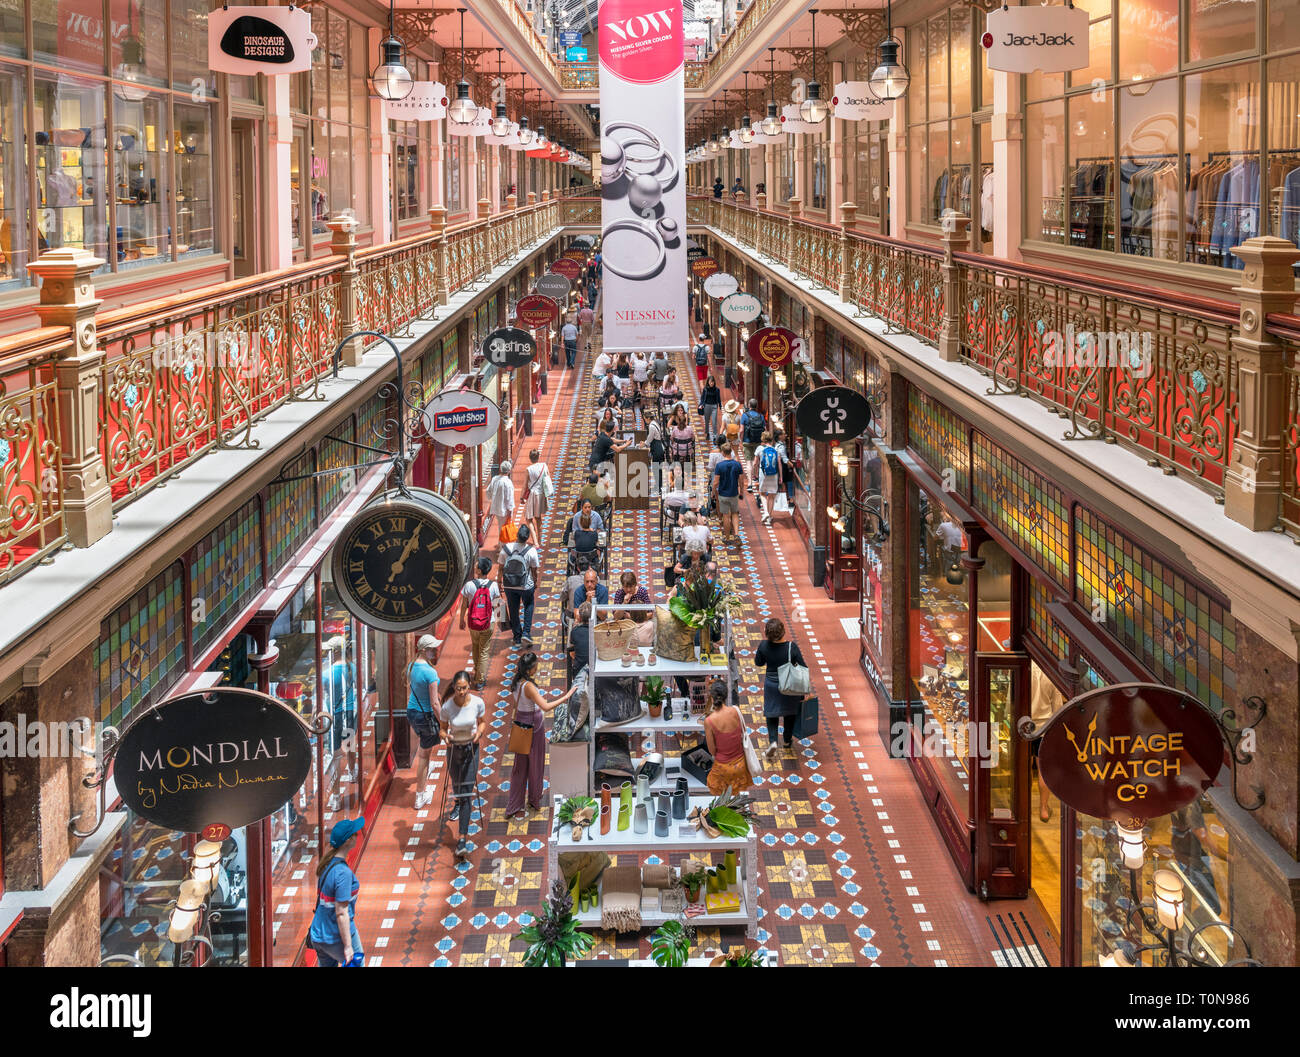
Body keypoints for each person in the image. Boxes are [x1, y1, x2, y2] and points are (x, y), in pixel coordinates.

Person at [506, 651, 579, 818]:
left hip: (521, 726)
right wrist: (566, 696)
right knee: (536, 764)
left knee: (520, 767)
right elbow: (545, 706)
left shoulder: (516, 681)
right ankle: (534, 799)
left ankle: (515, 804)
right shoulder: (529, 686)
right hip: (533, 728)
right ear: (531, 668)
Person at [439, 671, 488, 858]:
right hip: (454, 751)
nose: (461, 692)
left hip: (471, 750)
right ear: (454, 687)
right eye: (458, 688)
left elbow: (482, 723)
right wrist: (446, 737)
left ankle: (462, 839)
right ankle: (458, 802)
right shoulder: (447, 707)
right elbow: (442, 730)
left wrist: (479, 734)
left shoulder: (477, 703)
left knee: (467, 791)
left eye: (465, 688)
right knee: (458, 788)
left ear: (469, 687)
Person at [310, 817, 365, 966]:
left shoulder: (327, 864)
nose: (358, 835)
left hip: (319, 936)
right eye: (355, 834)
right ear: (348, 840)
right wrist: (347, 946)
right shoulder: (343, 873)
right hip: (336, 936)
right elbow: (341, 913)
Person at [754, 617, 807, 757]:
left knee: (771, 714)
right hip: (789, 685)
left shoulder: (764, 646)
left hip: (771, 685)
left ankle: (773, 742)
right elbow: (803, 667)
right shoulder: (791, 647)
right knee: (790, 713)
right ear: (783, 631)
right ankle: (787, 740)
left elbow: (758, 663)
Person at [406, 634, 441, 809]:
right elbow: (434, 703)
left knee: (424, 744)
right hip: (425, 715)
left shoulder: (411, 667)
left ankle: (428, 760)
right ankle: (420, 795)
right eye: (433, 648)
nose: (435, 651)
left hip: (412, 712)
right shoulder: (430, 672)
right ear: (425, 650)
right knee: (423, 757)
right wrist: (445, 721)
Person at [703, 680, 752, 795]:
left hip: (722, 769)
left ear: (712, 698)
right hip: (740, 766)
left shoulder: (709, 721)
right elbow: (742, 733)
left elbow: (712, 751)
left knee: (722, 804)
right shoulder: (735, 711)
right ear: (726, 696)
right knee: (736, 803)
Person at [458, 556, 500, 691]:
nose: (474, 567)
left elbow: (464, 604)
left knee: (475, 646)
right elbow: (498, 604)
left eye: (476, 566)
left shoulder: (469, 585)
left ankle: (477, 670)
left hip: (473, 622)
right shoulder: (493, 585)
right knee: (484, 651)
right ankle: (480, 680)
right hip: (488, 622)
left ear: (480, 570)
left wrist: (461, 620)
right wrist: (500, 619)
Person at [499, 523, 540, 647]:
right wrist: (535, 582)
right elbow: (534, 570)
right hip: (525, 585)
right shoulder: (531, 551)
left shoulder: (506, 549)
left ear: (516, 535)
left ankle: (517, 636)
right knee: (529, 604)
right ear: (527, 538)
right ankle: (526, 633)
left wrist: (498, 582)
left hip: (509, 585)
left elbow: (500, 568)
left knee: (513, 609)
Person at [327, 642, 356, 788]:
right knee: (350, 745)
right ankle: (352, 772)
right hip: (349, 713)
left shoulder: (328, 673)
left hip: (336, 715)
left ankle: (336, 795)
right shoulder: (352, 668)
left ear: (335, 652)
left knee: (336, 754)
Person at [711, 441, 745, 543]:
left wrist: (713, 493)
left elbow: (716, 482)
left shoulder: (719, 466)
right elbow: (741, 480)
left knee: (726, 515)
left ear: (722, 452)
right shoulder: (737, 464)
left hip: (723, 494)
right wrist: (741, 492)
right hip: (734, 493)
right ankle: (737, 534)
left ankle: (726, 537)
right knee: (735, 513)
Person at [752, 430, 784, 525]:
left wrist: (755, 473)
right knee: (771, 496)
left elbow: (754, 463)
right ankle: (769, 517)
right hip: (774, 474)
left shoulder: (759, 448)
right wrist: (780, 477)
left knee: (762, 493)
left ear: (762, 439)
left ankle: (765, 512)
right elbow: (779, 464)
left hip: (764, 474)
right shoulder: (775, 449)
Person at [522, 447, 552, 543]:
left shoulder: (529, 469)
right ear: (538, 457)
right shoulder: (544, 465)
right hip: (542, 494)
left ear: (530, 458)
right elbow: (548, 479)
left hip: (533, 495)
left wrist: (522, 497)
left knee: (528, 518)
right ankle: (540, 540)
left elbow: (525, 485)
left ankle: (535, 541)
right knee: (538, 518)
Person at [484, 460, 515, 546]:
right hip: (505, 509)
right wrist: (510, 511)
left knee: (500, 526)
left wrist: (493, 499)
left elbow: (488, 491)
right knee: (504, 528)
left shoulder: (494, 479)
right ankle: (503, 548)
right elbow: (509, 499)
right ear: (509, 471)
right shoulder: (508, 482)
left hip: (496, 508)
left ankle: (500, 544)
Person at [668, 406, 696, 490]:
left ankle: (677, 477)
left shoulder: (675, 429)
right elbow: (693, 439)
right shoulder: (690, 429)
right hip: (687, 452)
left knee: (672, 449)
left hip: (677, 452)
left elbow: (671, 439)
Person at [773, 426, 796, 504]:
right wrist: (793, 465)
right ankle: (791, 499)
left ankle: (788, 498)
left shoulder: (778, 444)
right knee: (789, 481)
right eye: (784, 434)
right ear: (779, 436)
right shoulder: (781, 446)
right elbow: (784, 459)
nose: (785, 435)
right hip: (783, 467)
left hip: (781, 466)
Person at [646, 410, 666, 497]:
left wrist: (644, 444)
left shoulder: (651, 426)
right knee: (658, 469)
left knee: (656, 469)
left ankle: (659, 488)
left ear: (648, 418)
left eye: (645, 419)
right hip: (659, 447)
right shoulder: (655, 422)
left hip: (657, 448)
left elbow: (650, 438)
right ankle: (659, 486)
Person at [740, 398, 765, 466]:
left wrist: (741, 441)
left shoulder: (745, 415)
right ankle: (756, 475)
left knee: (748, 461)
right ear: (756, 406)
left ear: (749, 405)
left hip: (747, 441)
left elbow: (741, 430)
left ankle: (750, 477)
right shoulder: (761, 416)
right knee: (756, 459)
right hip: (758, 441)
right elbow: (764, 429)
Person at [699, 373, 722, 442]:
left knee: (714, 422)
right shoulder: (705, 389)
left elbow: (719, 398)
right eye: (710, 382)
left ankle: (715, 436)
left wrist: (720, 406)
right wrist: (701, 404)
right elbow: (702, 398)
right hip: (707, 406)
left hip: (714, 406)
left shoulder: (717, 390)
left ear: (714, 382)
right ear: (708, 382)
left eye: (712, 381)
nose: (711, 383)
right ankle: (707, 433)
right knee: (707, 421)